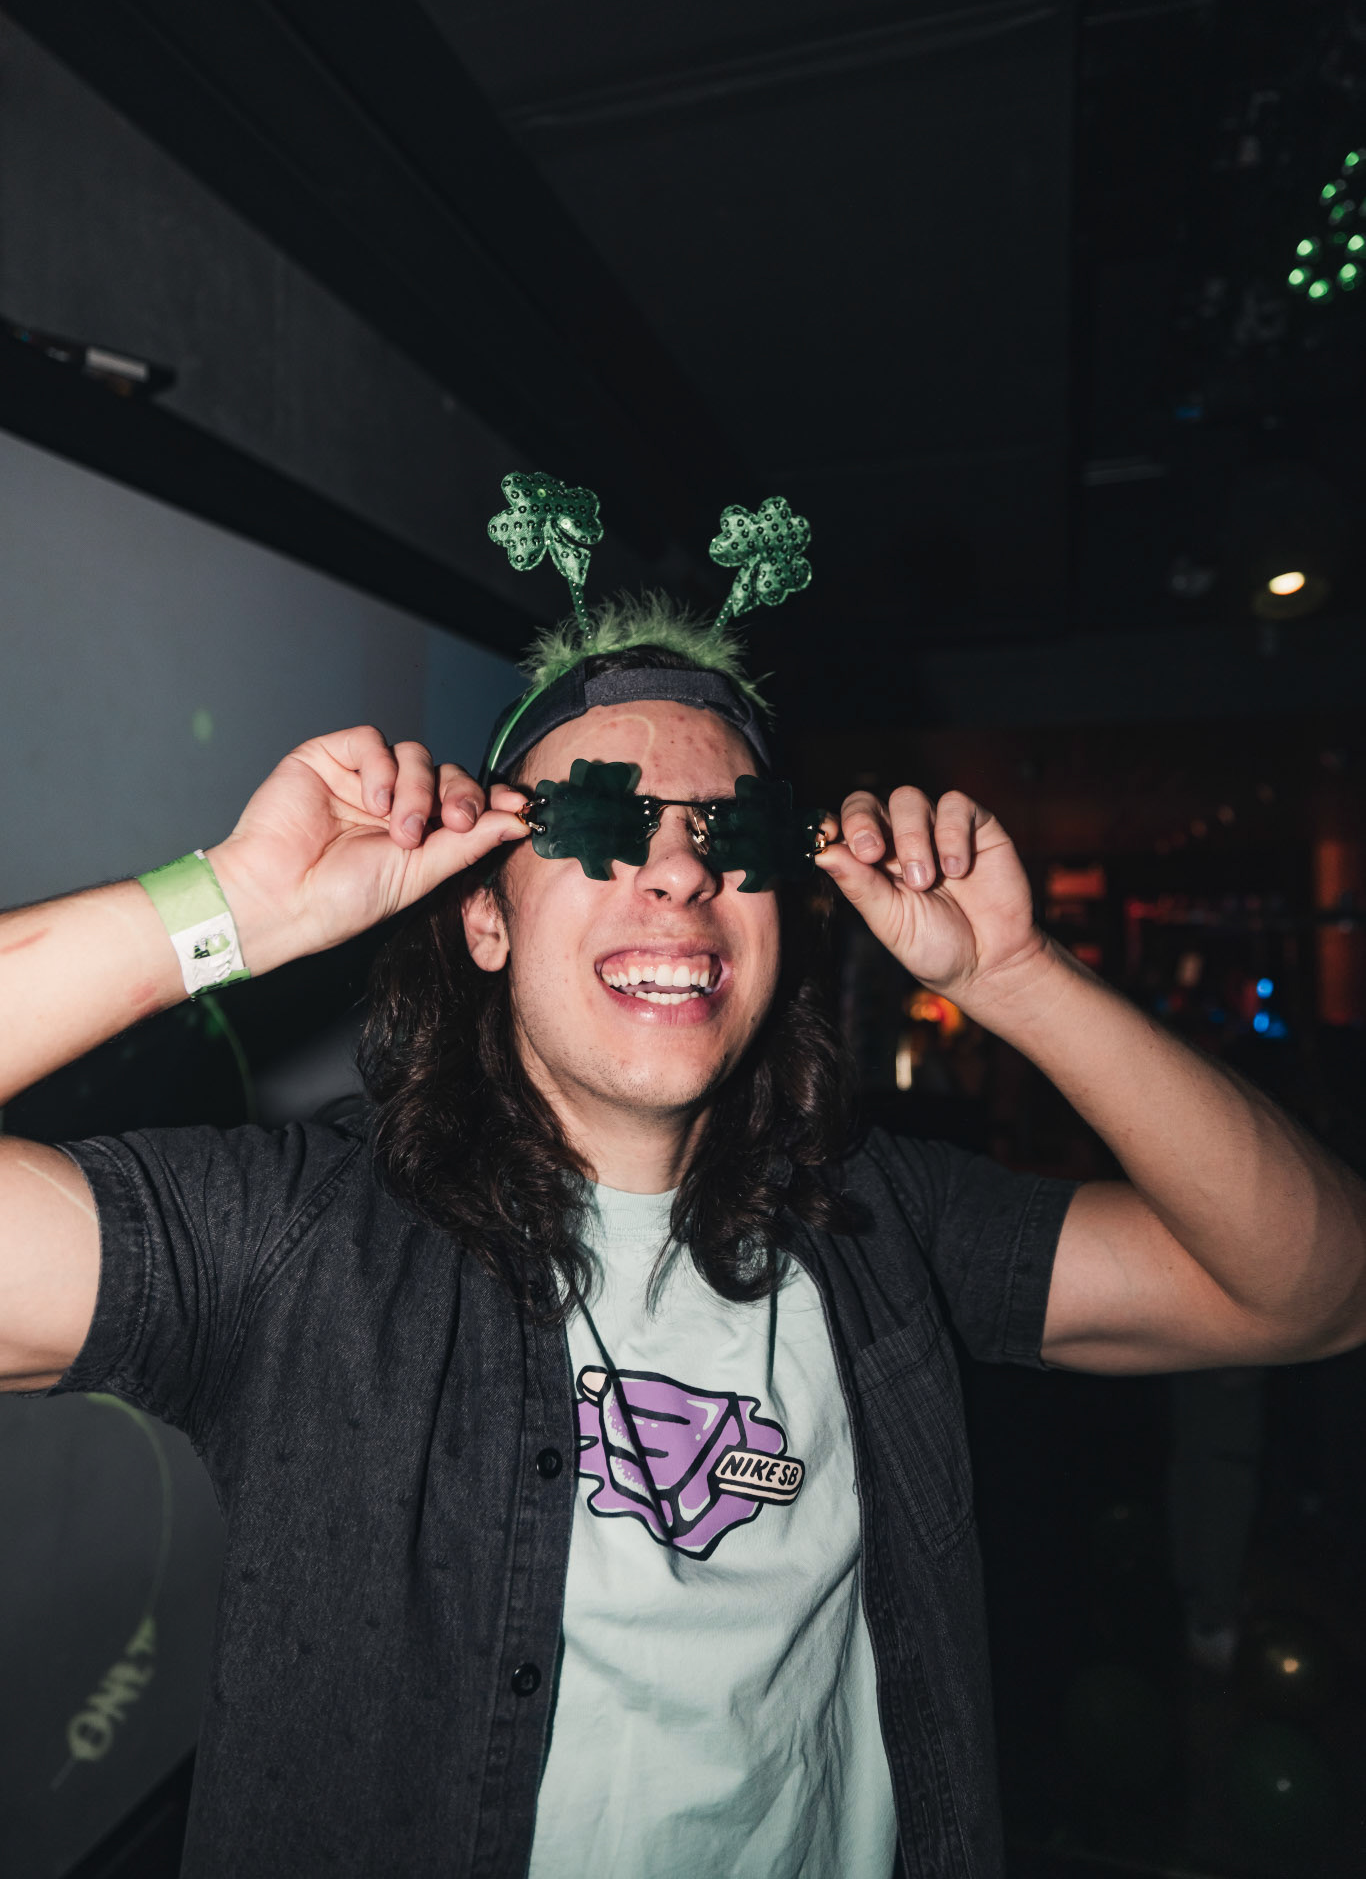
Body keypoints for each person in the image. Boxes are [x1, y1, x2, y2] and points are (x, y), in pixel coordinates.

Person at [3, 616, 1365, 1879]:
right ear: (486, 915)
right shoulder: (301, 1241)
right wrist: (234, 904)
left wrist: (1018, 978)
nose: (676, 871)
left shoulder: (879, 1226)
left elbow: (1311, 1292)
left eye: (734, 834)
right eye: (597, 821)